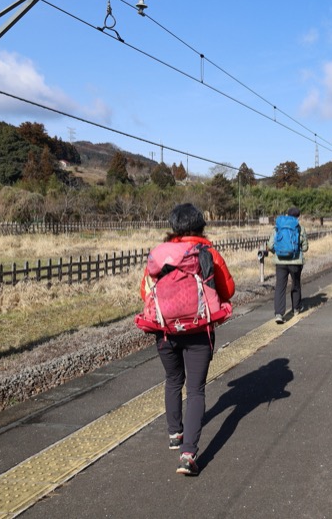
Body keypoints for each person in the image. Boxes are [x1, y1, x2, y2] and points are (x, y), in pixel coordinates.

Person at [140, 203, 235, 476]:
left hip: (165, 330)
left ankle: (174, 433)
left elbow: (144, 293)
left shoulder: (159, 254)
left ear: (174, 227)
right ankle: (188, 455)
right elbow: (228, 289)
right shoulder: (207, 252)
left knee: (172, 379)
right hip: (198, 330)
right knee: (195, 391)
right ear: (201, 225)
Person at [267, 206, 309, 324]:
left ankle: (279, 314)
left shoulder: (278, 227)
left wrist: (279, 251)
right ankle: (296, 308)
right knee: (295, 284)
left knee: (280, 286)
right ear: (298, 216)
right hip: (295, 262)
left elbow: (270, 245)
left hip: (280, 261)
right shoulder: (300, 228)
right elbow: (305, 248)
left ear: (287, 214)